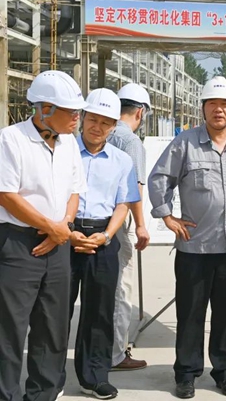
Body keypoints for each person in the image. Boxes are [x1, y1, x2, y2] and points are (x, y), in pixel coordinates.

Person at [148, 76, 226, 399]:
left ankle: (224, 371)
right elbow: (159, 178)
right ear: (203, 108)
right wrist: (166, 216)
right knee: (190, 314)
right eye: (212, 104)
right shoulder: (185, 143)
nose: (219, 110)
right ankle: (186, 373)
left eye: (225, 104)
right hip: (194, 248)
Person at [0, 70, 87, 401]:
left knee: (53, 328)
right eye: (71, 111)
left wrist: (63, 226)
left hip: (58, 245)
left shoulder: (68, 144)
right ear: (45, 109)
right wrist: (51, 227)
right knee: (9, 329)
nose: (77, 118)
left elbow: (75, 191)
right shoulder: (11, 140)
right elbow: (6, 194)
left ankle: (43, 395)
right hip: (17, 245)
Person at [63, 88, 140, 399]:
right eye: (93, 119)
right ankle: (50, 377)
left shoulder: (122, 161)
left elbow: (124, 203)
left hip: (103, 240)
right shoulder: (63, 150)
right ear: (82, 118)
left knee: (100, 312)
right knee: (56, 311)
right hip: (64, 237)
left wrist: (107, 235)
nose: (98, 127)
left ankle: (94, 377)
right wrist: (68, 232)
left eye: (105, 122)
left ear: (113, 126)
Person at [108, 83, 152, 372]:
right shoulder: (131, 142)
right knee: (120, 289)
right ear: (140, 112)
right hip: (119, 222)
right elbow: (134, 186)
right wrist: (141, 225)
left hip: (92, 221)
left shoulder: (99, 132)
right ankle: (115, 354)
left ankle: (96, 350)